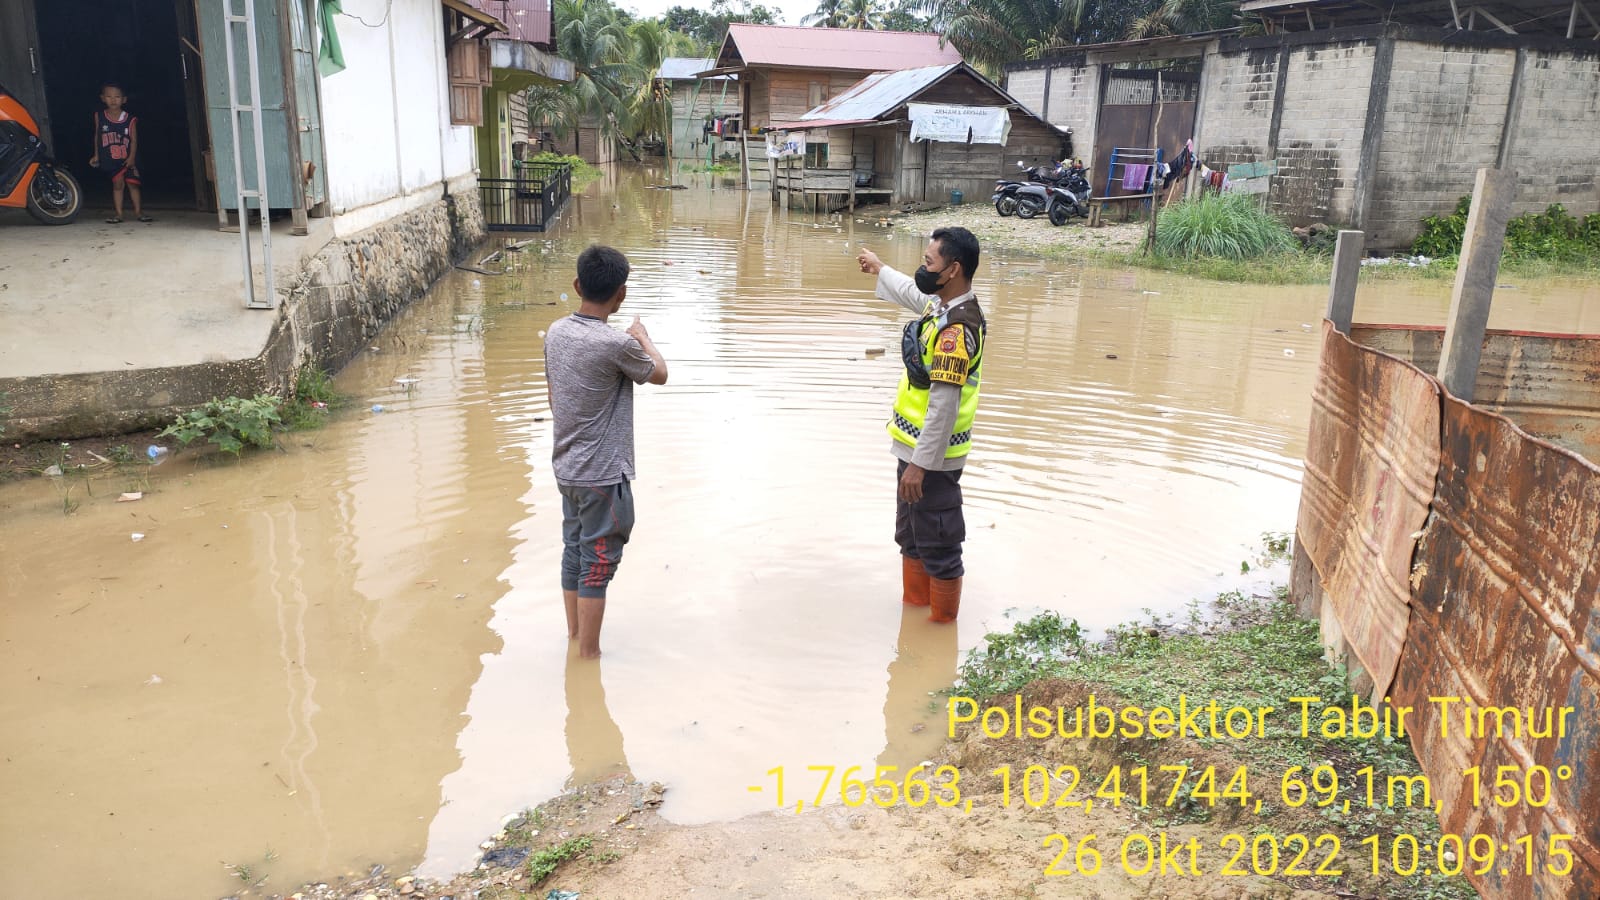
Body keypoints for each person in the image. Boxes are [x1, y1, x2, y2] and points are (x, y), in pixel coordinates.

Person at [543, 245, 669, 658]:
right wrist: (643, 338)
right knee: (597, 564)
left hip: (567, 471)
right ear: (622, 294)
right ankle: (588, 658)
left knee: (574, 551)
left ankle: (574, 638)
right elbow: (660, 374)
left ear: (577, 285)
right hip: (602, 476)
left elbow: (553, 397)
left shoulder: (557, 332)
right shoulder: (616, 345)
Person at [856, 228, 986, 624]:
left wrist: (919, 466)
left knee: (940, 546)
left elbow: (944, 408)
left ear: (953, 270)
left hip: (934, 462)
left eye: (930, 262)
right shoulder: (939, 307)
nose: (923, 268)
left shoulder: (957, 331)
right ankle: (915, 622)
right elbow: (914, 294)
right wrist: (880, 269)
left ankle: (940, 632)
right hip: (913, 453)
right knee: (911, 538)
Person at [90, 84, 150, 224]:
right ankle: (119, 214)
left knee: (133, 185)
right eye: (109, 96)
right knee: (117, 185)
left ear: (124, 100)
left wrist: (131, 158)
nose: (113, 100)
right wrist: (96, 155)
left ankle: (138, 212)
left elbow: (134, 140)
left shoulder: (130, 119)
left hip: (128, 158)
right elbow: (97, 136)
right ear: (103, 98)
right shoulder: (99, 116)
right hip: (110, 158)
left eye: (117, 97)